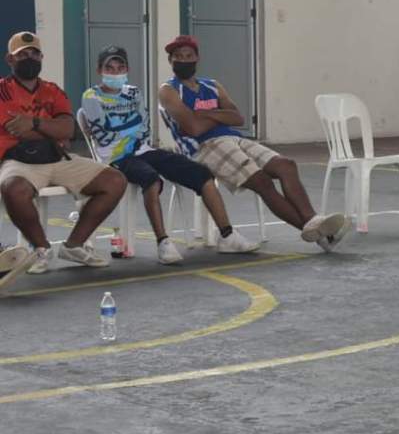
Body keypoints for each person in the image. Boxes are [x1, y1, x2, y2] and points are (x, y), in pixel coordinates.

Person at [158, 35, 349, 251]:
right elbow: (193, 129)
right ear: (170, 61)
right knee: (262, 182)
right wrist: (219, 115)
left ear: (197, 58)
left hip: (234, 138)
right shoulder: (169, 90)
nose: (184, 60)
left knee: (286, 165)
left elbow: (238, 118)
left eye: (188, 56)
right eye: (178, 56)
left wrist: (202, 114)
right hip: (204, 147)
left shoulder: (212, 85)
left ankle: (313, 221)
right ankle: (320, 234)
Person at [81, 46, 260, 264]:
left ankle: (227, 235)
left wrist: (122, 127)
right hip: (116, 158)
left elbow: (144, 127)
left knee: (203, 175)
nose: (116, 72)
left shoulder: (134, 92)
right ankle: (163, 243)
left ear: (127, 69)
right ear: (100, 70)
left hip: (143, 149)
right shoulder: (91, 96)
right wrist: (129, 128)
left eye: (120, 67)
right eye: (110, 68)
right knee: (151, 179)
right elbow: (105, 136)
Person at [0, 31, 127, 273]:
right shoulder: (2, 91)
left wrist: (33, 123)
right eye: (23, 55)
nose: (30, 59)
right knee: (13, 189)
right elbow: (16, 130)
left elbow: (68, 129)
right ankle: (41, 249)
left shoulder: (53, 90)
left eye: (34, 54)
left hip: (57, 158)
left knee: (114, 180)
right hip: (19, 160)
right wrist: (51, 129)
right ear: (10, 59)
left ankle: (74, 245)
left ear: (41, 58)